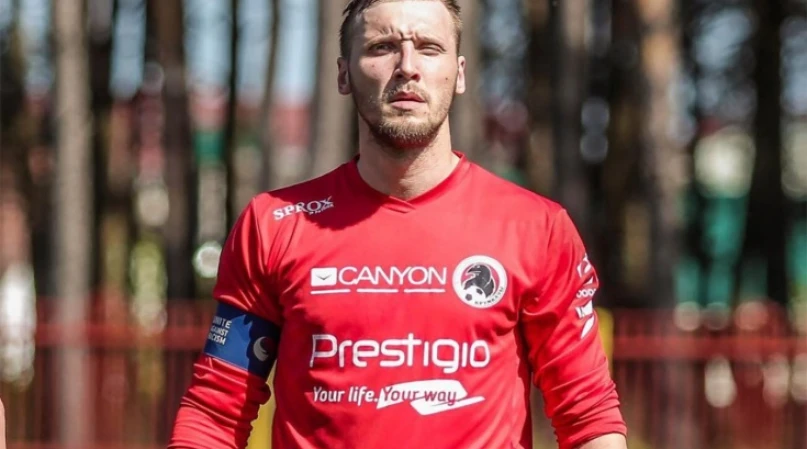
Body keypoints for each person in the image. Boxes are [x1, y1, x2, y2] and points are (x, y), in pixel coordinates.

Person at [168, 0, 628, 448]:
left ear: (459, 73)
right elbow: (216, 411)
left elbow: (588, 416)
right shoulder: (274, 224)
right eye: (382, 47)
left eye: (429, 47)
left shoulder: (535, 227)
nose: (407, 67)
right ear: (344, 73)